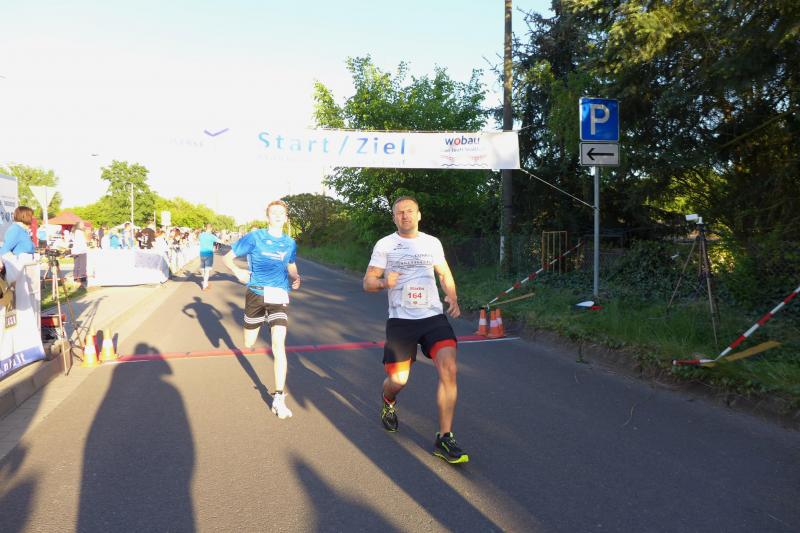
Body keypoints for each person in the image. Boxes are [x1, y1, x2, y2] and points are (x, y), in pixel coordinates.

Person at [363, 196, 468, 464]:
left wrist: (452, 296)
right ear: (394, 218)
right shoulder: (385, 244)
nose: (405, 216)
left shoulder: (432, 243)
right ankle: (388, 400)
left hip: (432, 316)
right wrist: (384, 282)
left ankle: (444, 437)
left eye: (410, 211)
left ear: (419, 215)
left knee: (449, 369)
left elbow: (444, 273)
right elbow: (368, 282)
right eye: (399, 213)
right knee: (398, 380)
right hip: (401, 320)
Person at [223, 200, 301, 420]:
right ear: (267, 217)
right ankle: (257, 323)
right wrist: (238, 272)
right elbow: (227, 258)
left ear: (286, 218)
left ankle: (279, 397)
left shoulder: (290, 242)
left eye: (281, 213)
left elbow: (291, 263)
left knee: (279, 344)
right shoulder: (254, 237)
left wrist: (295, 276)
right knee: (249, 342)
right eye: (273, 212)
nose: (277, 215)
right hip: (256, 294)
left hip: (278, 295)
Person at [198, 224, 219, 290]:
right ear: (211, 228)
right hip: (209, 254)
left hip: (202, 253)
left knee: (203, 269)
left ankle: (205, 282)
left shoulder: (201, 235)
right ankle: (205, 285)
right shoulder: (212, 236)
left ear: (205, 228)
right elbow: (220, 241)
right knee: (207, 270)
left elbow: (198, 239)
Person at [71, 220, 89, 288]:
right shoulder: (80, 232)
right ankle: (82, 281)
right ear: (79, 225)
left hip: (75, 251)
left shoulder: (73, 232)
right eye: (82, 224)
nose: (83, 225)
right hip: (81, 250)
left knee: (76, 265)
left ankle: (76, 279)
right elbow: (82, 242)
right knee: (82, 265)